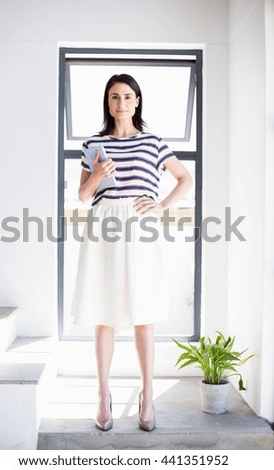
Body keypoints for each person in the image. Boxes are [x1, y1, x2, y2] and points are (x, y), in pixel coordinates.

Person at [70, 74, 193, 432]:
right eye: (114, 97)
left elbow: (185, 178)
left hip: (141, 225)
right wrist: (95, 177)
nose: (121, 103)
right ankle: (103, 395)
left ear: (137, 101)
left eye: (127, 96)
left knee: (143, 311)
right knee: (103, 311)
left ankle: (147, 395)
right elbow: (82, 196)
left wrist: (161, 206)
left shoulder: (153, 142)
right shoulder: (93, 144)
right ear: (107, 103)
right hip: (104, 224)